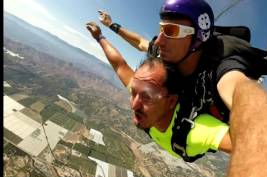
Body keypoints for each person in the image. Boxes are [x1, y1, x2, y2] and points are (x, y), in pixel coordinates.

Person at [97, 0, 267, 158]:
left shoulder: (222, 73)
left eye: (171, 31)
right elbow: (138, 45)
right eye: (161, 30)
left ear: (197, 38)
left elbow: (236, 88)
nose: (159, 41)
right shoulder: (161, 64)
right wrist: (110, 26)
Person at [85, 22, 232, 163]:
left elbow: (251, 147)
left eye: (147, 98)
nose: (134, 105)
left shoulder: (196, 130)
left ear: (171, 102)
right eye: (134, 92)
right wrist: (99, 37)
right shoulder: (144, 87)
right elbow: (119, 65)